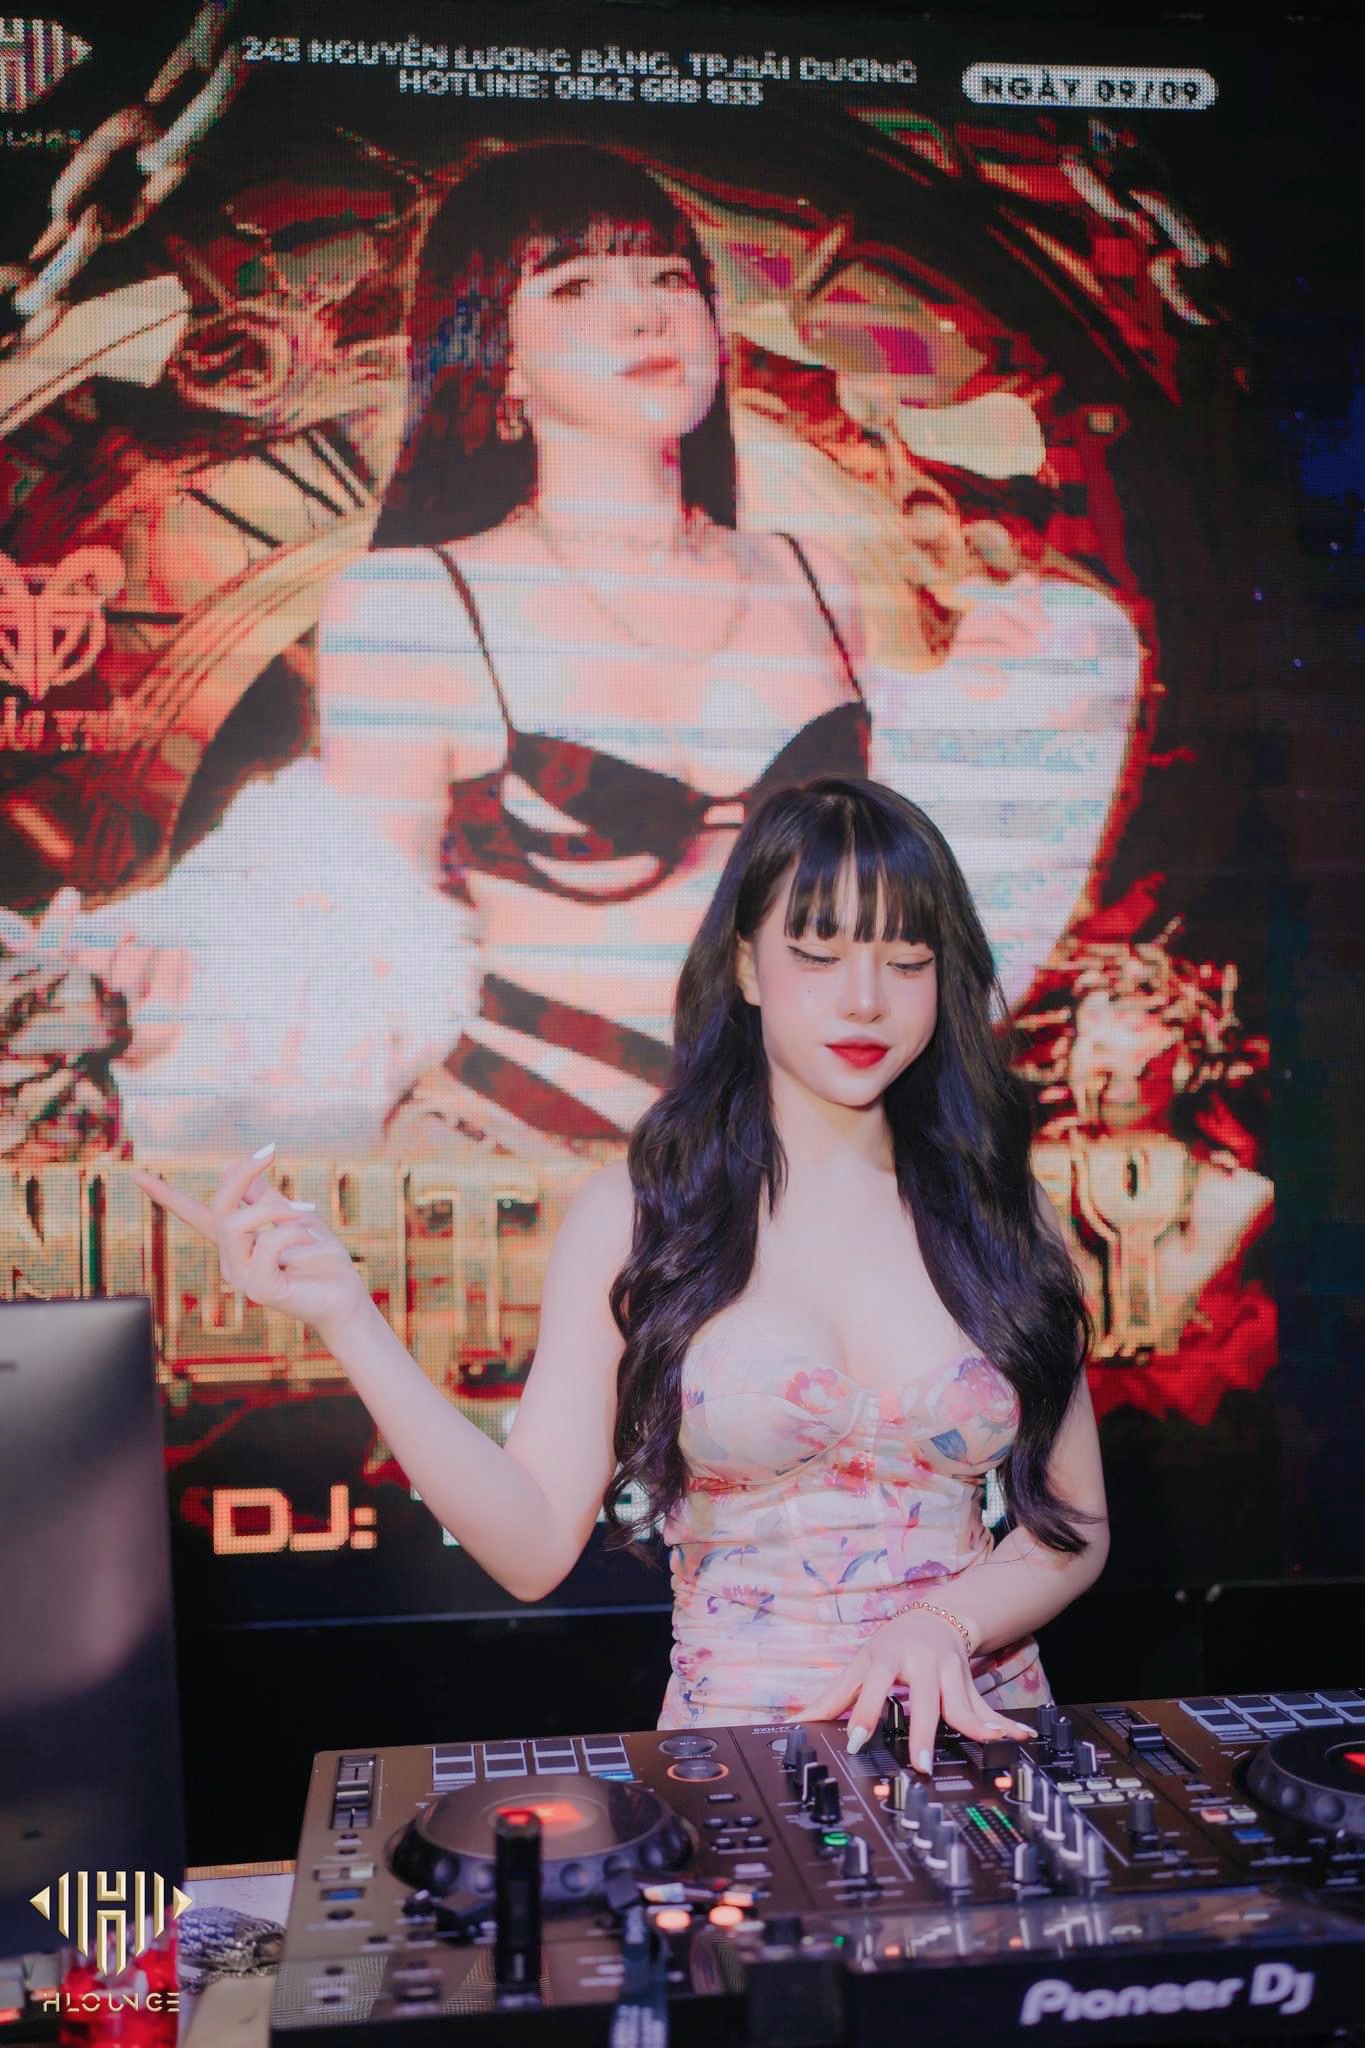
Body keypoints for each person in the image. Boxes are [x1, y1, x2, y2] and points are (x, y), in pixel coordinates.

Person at [130, 776, 1109, 1761]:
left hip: (986, 1747)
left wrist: (944, 1623)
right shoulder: (641, 1214)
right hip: (748, 1763)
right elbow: (531, 1545)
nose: (865, 998)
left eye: (905, 961)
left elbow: (1070, 1526)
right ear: (747, 965)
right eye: (818, 954)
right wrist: (349, 1318)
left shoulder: (1002, 1208)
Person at [315, 140, 871, 1162]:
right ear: (500, 358)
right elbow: (358, 940)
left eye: (669, 278)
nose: (646, 315)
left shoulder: (815, 582)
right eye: (574, 286)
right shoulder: (412, 603)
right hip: (509, 1157)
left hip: (790, 1171)